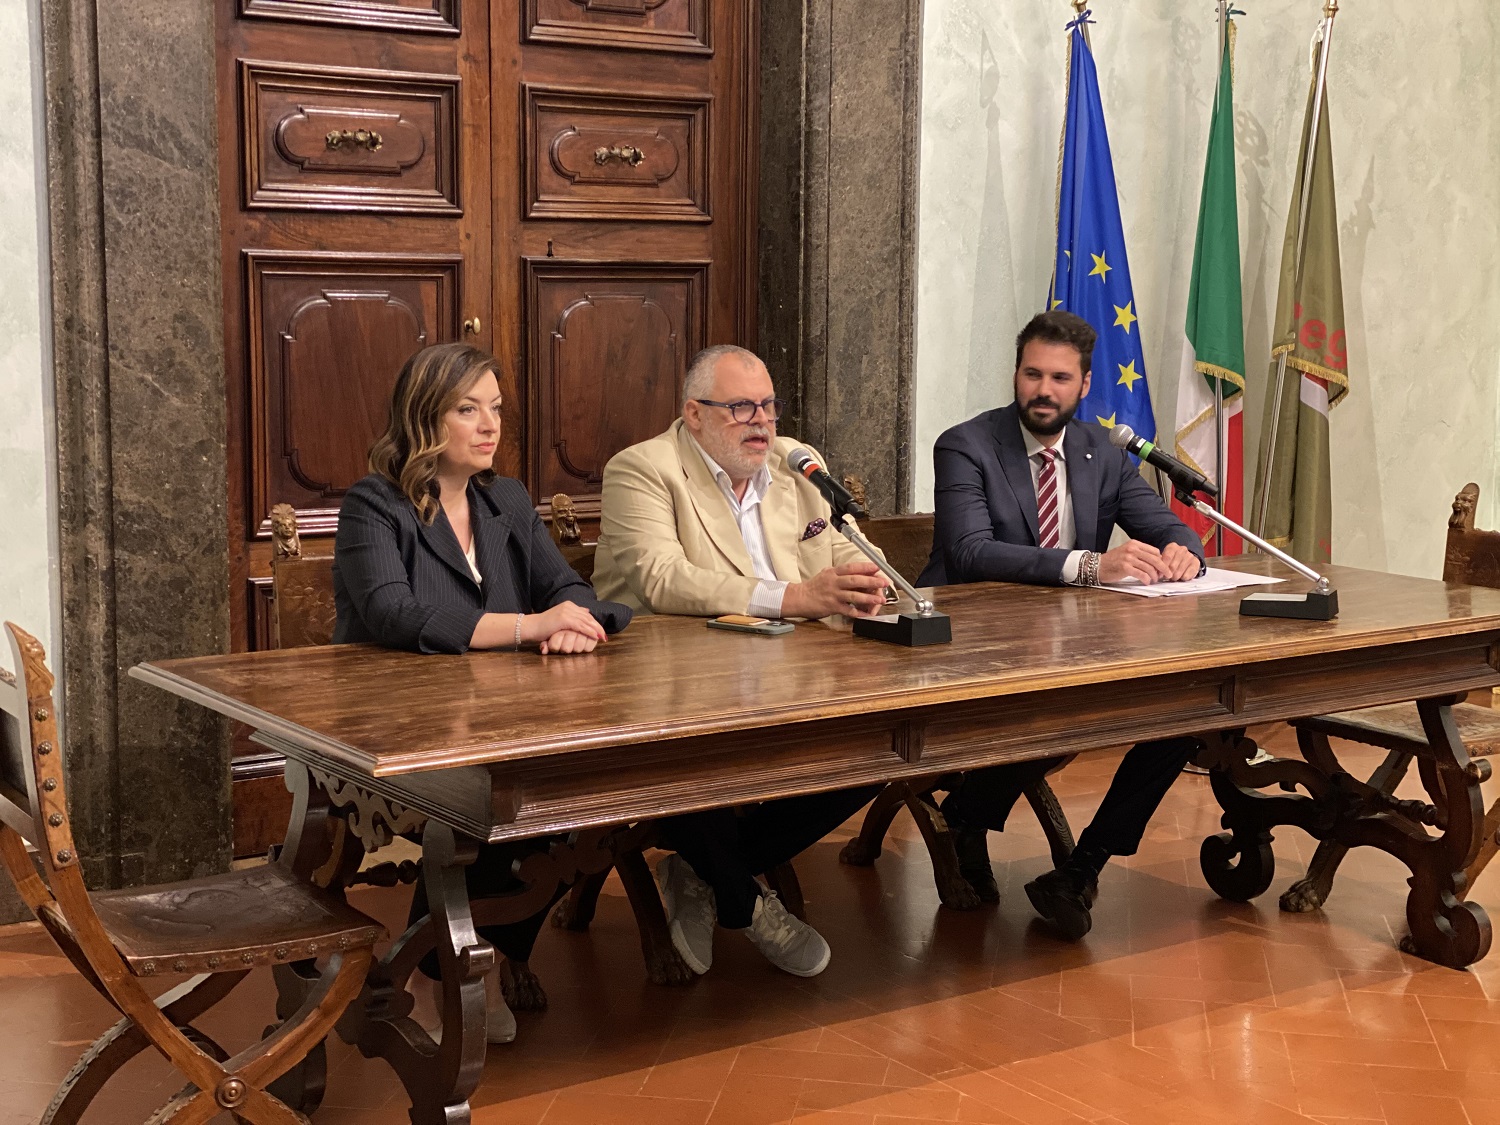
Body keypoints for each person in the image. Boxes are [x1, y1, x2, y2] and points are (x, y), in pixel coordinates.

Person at [333, 342, 632, 1042]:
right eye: (468, 409)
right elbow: (394, 614)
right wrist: (530, 626)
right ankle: (450, 969)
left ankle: (458, 965)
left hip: (503, 718)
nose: (489, 424)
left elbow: (570, 588)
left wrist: (574, 624)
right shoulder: (375, 504)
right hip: (399, 725)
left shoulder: (508, 498)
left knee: (567, 796)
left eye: (494, 408)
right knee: (487, 801)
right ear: (423, 417)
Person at [593, 343, 888, 978]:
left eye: (769, 406)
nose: (761, 422)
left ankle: (699, 869)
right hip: (669, 684)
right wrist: (795, 598)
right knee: (695, 753)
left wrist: (863, 578)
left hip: (787, 674)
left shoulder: (794, 464)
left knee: (881, 746)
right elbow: (660, 579)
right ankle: (743, 897)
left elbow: (832, 551)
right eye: (740, 408)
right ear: (693, 414)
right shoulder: (642, 469)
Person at [918, 310, 1207, 941]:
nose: (1042, 390)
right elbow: (969, 552)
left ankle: (1082, 867)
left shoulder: (1101, 452)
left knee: (1187, 711)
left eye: (1059, 378)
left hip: (1073, 642)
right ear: (1015, 374)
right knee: (1050, 709)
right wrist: (1091, 564)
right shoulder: (967, 445)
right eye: (1031, 374)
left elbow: (1165, 524)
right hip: (974, 638)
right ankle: (968, 814)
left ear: (1083, 385)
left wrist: (1185, 550)